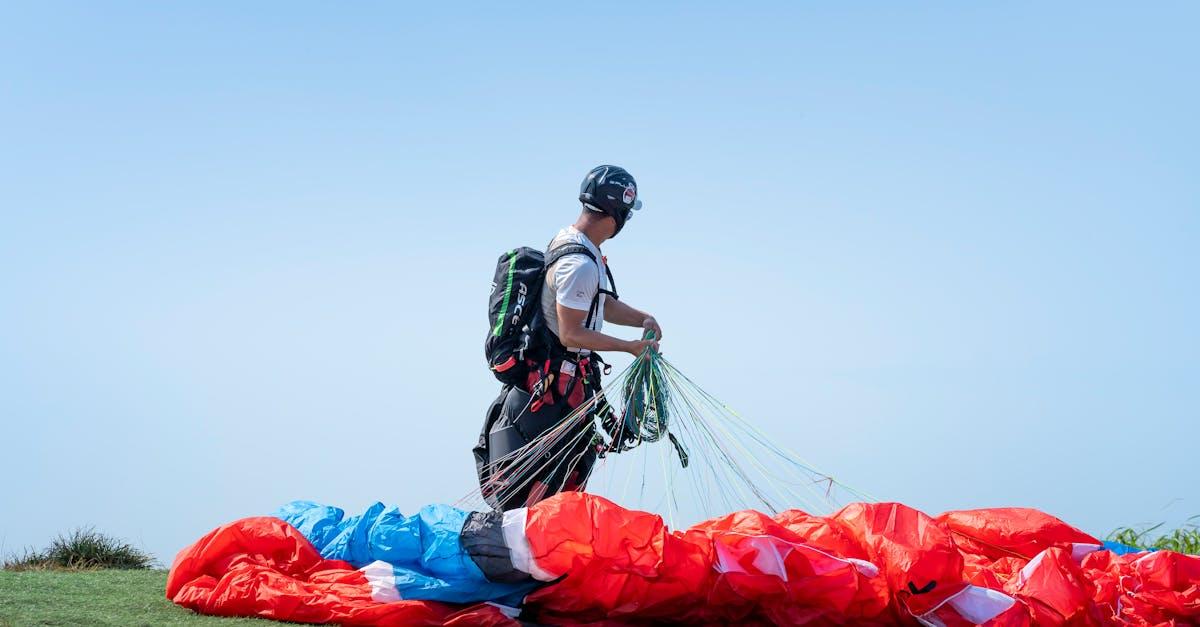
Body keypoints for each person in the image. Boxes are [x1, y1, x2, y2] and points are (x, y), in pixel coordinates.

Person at [475, 165, 662, 511]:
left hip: (564, 395)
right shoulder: (581, 264)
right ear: (618, 212)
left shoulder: (578, 247)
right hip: (549, 402)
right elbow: (571, 331)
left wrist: (641, 319)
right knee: (532, 506)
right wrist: (629, 348)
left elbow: (598, 303)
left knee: (559, 501)